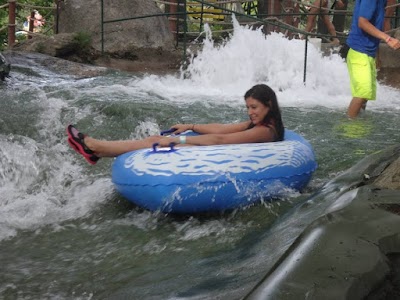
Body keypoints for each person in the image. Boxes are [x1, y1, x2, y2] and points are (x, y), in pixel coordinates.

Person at [67, 84, 285, 165]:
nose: (250, 112)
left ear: (268, 104)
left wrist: (177, 139)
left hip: (221, 157)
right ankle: (96, 149)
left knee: (159, 142)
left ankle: (95, 147)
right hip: (218, 151)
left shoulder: (265, 131)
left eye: (254, 107)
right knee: (155, 141)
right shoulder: (256, 123)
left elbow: (221, 139)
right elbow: (223, 129)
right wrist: (190, 125)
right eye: (248, 107)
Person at [346, 0, 400, 119]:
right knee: (361, 94)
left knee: (365, 97)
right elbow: (362, 22)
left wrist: (377, 55)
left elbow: (375, 26)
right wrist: (388, 39)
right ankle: (348, 129)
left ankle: (358, 124)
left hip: (368, 53)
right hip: (359, 51)